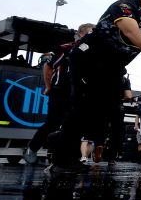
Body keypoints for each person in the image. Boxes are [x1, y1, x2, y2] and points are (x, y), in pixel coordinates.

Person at [57, 0, 141, 168]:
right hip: (86, 61)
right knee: (80, 109)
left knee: (108, 112)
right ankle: (62, 159)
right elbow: (130, 30)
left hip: (111, 70)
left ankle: (103, 152)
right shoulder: (124, 7)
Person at [24, 23, 93, 165]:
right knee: (53, 123)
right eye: (90, 33)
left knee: (75, 125)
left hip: (79, 93)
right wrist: (48, 86)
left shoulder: (93, 52)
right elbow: (48, 67)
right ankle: (32, 148)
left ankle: (70, 158)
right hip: (60, 92)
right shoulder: (66, 49)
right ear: (80, 33)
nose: (93, 36)